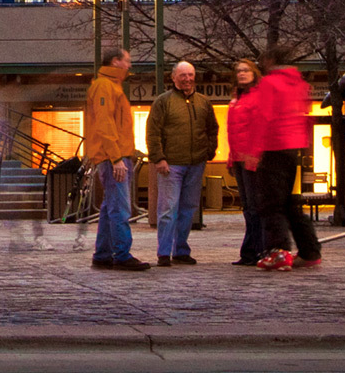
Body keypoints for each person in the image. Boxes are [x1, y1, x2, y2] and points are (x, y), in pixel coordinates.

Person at [241, 47, 323, 271]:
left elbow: (264, 117)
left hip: (273, 147)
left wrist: (253, 151)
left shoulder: (269, 83)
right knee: (289, 203)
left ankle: (278, 252)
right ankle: (309, 251)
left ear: (269, 61)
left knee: (270, 204)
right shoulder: (298, 83)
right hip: (293, 148)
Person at [146, 60, 218, 267]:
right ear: (173, 77)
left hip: (196, 163)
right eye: (183, 75)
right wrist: (158, 158)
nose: (187, 79)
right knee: (168, 209)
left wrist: (209, 151)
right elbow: (153, 132)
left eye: (190, 75)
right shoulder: (163, 102)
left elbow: (212, 128)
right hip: (171, 165)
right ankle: (163, 253)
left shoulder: (203, 102)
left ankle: (180, 250)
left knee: (188, 208)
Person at [83, 48, 147, 270]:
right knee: (119, 207)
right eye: (127, 61)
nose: (130, 65)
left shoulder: (109, 85)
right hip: (113, 157)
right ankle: (121, 254)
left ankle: (103, 254)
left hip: (111, 156)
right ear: (116, 62)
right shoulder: (105, 86)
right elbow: (105, 123)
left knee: (111, 205)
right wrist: (117, 157)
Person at [226, 59, 265, 265]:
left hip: (251, 159)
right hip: (240, 159)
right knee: (248, 206)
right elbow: (233, 133)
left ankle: (255, 250)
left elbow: (260, 130)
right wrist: (232, 158)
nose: (241, 74)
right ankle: (251, 250)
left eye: (246, 70)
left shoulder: (257, 98)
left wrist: (255, 155)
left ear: (254, 73)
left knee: (254, 207)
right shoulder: (237, 98)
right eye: (239, 70)